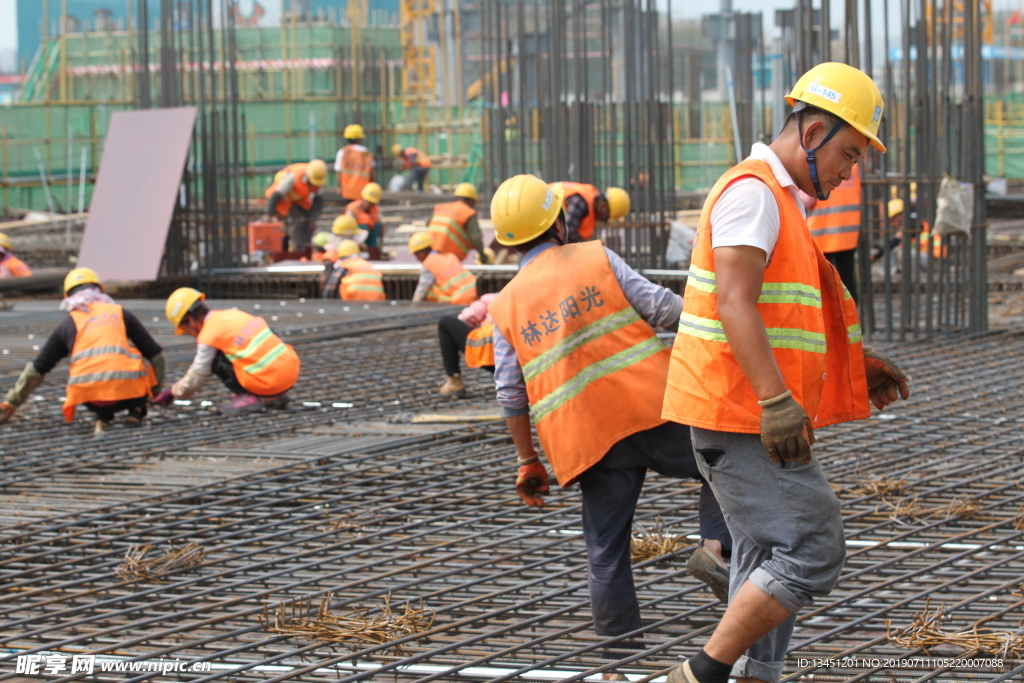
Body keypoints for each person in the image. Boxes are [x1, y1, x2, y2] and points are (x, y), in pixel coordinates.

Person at [659, 63, 911, 683]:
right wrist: (776, 401)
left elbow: (780, 315)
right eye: (848, 153)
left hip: (749, 413)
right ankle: (702, 672)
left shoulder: (781, 201)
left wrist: (847, 365)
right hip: (742, 415)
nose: (850, 170)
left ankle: (753, 675)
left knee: (769, 555)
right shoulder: (753, 194)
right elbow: (735, 302)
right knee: (814, 545)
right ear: (814, 130)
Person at [487, 174, 733, 650]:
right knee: (726, 456)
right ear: (558, 221)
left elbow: (510, 394)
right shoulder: (594, 256)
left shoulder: (505, 304)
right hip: (655, 409)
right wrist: (727, 323)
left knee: (605, 548)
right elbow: (663, 309)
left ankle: (619, 649)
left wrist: (526, 460)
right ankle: (715, 549)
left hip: (588, 439)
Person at [0, 268, 163, 435]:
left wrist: (11, 403)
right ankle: (135, 411)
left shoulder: (68, 324)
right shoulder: (120, 313)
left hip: (91, 398)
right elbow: (156, 355)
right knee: (135, 362)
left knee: (90, 376)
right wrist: (155, 392)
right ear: (101, 290)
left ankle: (104, 416)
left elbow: (38, 369)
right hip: (130, 394)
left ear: (67, 297)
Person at [154, 288, 300, 414]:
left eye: (185, 330)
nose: (190, 334)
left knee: (215, 359)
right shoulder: (233, 314)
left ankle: (248, 396)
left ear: (190, 320)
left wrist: (172, 393)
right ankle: (276, 396)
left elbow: (198, 374)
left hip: (269, 382)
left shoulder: (210, 334)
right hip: (290, 372)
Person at [804, 164, 862, 302]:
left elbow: (807, 201)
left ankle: (825, 319)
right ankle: (851, 318)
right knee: (847, 280)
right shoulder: (855, 169)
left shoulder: (817, 166)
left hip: (820, 234)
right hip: (848, 233)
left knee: (822, 282)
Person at [435, 293, 497, 398]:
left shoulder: (492, 298)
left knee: (445, 322)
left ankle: (454, 382)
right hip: (516, 362)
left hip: (489, 351)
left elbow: (468, 316)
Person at [262, 159, 329, 252]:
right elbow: (277, 195)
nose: (313, 185)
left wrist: (312, 218)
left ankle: (305, 250)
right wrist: (268, 213)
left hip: (298, 201)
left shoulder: (318, 179)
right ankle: (300, 251)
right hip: (282, 202)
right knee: (297, 223)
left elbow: (318, 200)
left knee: (306, 225)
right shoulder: (294, 176)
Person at [408, 231, 478, 305]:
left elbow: (422, 290)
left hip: (460, 300)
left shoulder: (429, 264)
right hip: (476, 293)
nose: (417, 258)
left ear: (422, 252)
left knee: (431, 290)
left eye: (416, 254)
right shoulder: (450, 256)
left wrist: (414, 305)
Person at [428, 183, 490, 263]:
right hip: (448, 256)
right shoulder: (468, 212)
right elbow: (476, 238)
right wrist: (483, 256)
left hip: (429, 252)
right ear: (472, 200)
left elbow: (428, 223)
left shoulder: (440, 208)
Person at [551, 182, 631, 243]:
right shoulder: (581, 202)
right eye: (606, 217)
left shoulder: (588, 198)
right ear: (603, 207)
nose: (602, 220)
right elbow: (568, 230)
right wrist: (589, 248)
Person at [334, 124, 375, 203]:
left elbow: (338, 172)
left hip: (347, 192)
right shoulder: (367, 153)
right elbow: (372, 174)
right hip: (364, 193)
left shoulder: (342, 152)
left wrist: (340, 188)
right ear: (359, 139)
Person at [346, 182, 384, 260]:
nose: (369, 204)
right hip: (354, 239)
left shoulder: (375, 209)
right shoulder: (352, 209)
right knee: (364, 226)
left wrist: (381, 243)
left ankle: (373, 253)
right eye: (368, 201)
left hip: (370, 240)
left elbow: (382, 225)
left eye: (372, 203)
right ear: (363, 198)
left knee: (377, 225)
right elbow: (347, 229)